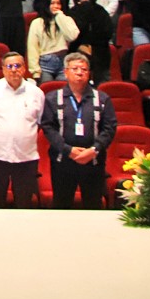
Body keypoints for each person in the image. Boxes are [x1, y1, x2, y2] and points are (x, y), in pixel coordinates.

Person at [40, 52, 118, 210]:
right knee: (62, 207)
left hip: (93, 162)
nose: (80, 72)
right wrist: (68, 150)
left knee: (93, 206)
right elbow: (48, 128)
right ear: (66, 72)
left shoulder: (102, 98)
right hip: (63, 162)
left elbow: (109, 128)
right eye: (75, 68)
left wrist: (94, 150)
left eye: (83, 69)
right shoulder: (53, 98)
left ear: (89, 73)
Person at [0, 51, 44, 208]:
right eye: (9, 66)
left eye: (18, 66)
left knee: (24, 204)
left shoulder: (36, 93)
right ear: (3, 69)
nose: (14, 70)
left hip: (26, 159)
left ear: (24, 68)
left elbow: (39, 123)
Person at [27, 0, 79, 82]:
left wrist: (59, 16)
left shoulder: (66, 20)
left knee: (63, 92)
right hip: (45, 63)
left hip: (63, 61)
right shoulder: (37, 23)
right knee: (47, 91)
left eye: (58, 3)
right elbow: (32, 47)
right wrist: (35, 71)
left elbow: (72, 36)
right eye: (52, 3)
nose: (56, 6)